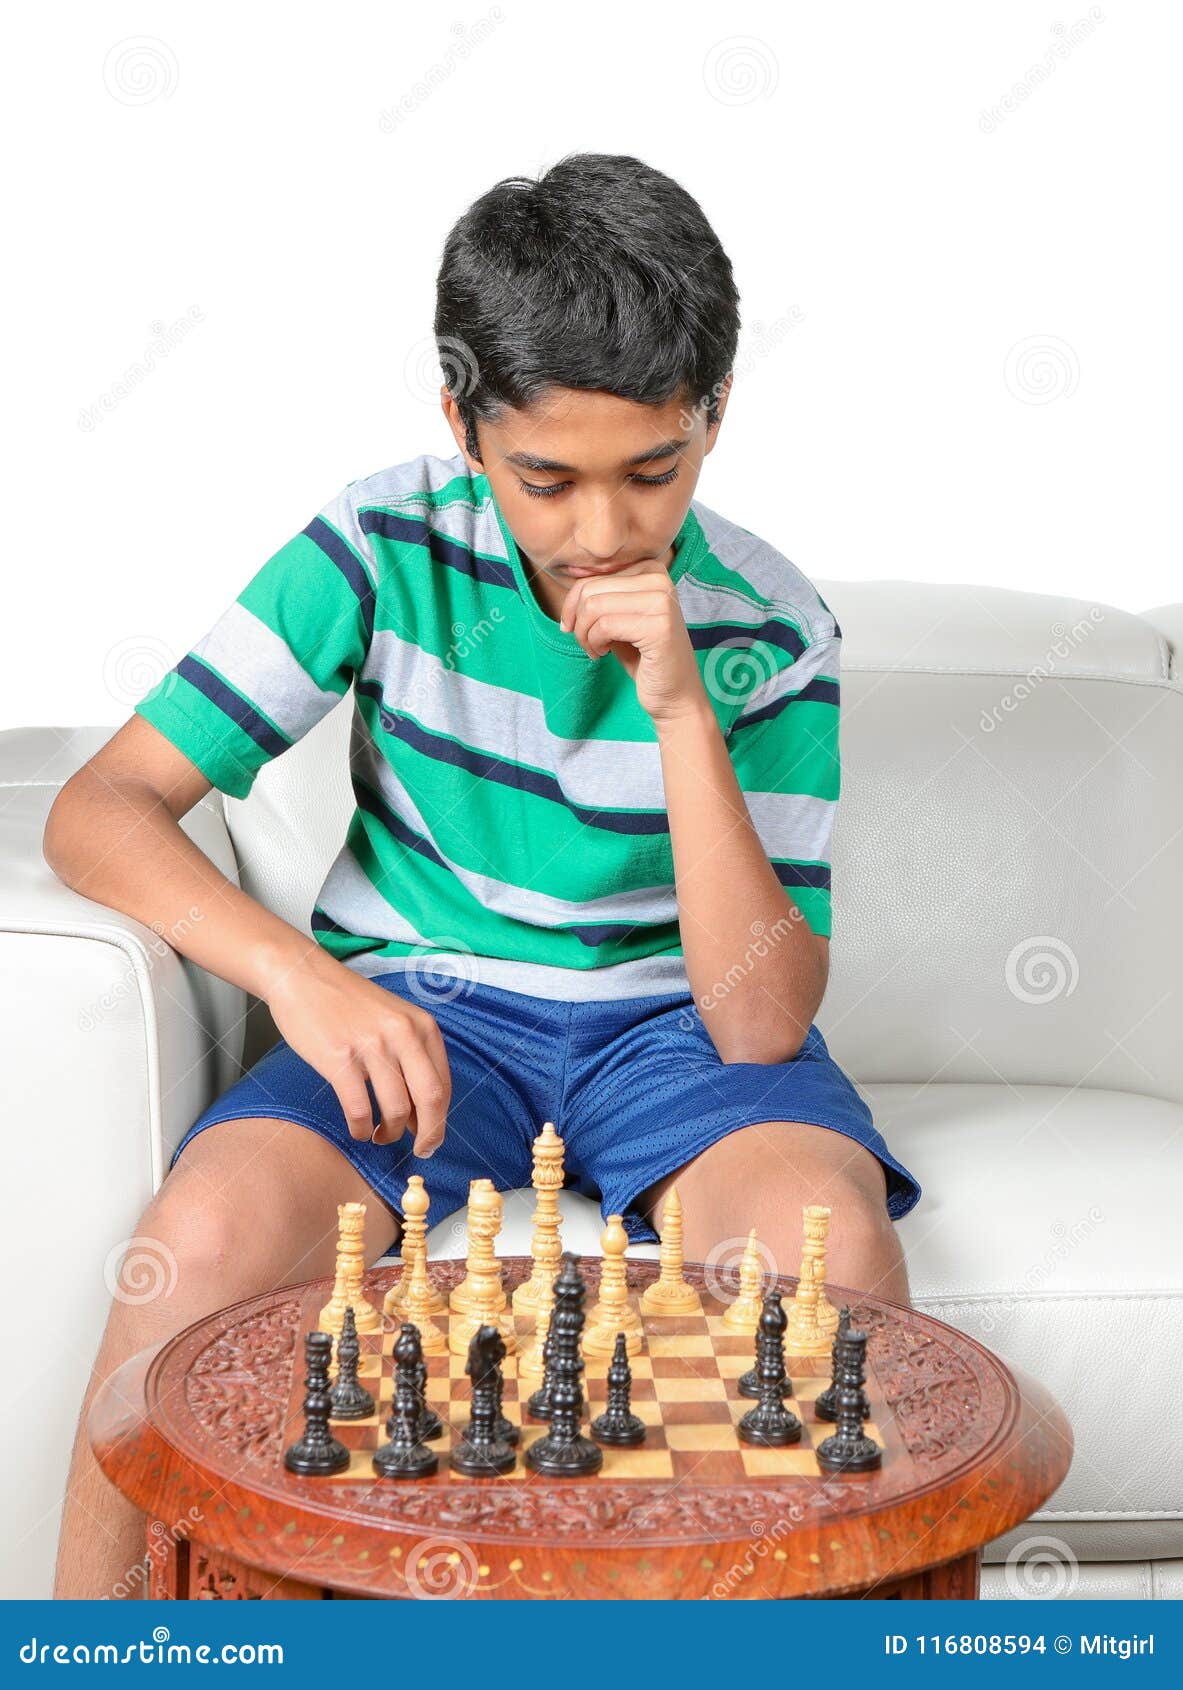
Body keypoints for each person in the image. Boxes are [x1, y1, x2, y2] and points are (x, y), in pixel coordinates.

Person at [45, 152, 918, 1598]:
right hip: (415, 1013)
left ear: (714, 420)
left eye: (654, 473)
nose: (602, 532)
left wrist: (684, 707)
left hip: (677, 1033)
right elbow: (102, 807)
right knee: (193, 1245)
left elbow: (759, 1023)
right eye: (546, 479)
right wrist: (300, 979)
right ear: (462, 421)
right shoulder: (381, 547)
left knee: (828, 1261)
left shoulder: (772, 620)